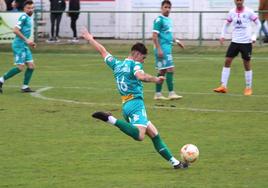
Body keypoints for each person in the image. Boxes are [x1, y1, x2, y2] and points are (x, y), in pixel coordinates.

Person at [81, 27, 188, 169]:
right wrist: (156, 79)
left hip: (126, 106)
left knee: (154, 134)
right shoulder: (135, 64)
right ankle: (110, 119)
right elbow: (141, 76)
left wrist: (90, 39)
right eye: (143, 58)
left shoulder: (117, 64)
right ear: (137, 54)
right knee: (140, 135)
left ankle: (176, 163)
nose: (143, 62)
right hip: (136, 104)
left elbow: (103, 51)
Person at [214, 0, 261, 96]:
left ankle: (248, 88)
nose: (238, 1)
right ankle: (223, 86)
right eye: (237, 0)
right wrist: (222, 35)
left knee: (246, 63)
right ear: (234, 1)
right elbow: (226, 24)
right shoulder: (231, 12)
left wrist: (254, 36)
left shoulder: (249, 11)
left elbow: (258, 24)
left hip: (246, 42)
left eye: (240, 0)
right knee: (227, 60)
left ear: (243, 1)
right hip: (235, 41)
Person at [0, 0, 36, 93]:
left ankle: (25, 87)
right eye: (28, 8)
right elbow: (15, 30)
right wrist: (26, 40)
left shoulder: (28, 17)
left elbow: (24, 33)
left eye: (32, 8)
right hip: (19, 45)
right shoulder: (24, 17)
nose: (31, 10)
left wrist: (30, 42)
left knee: (31, 66)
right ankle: (1, 80)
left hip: (24, 45)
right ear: (24, 9)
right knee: (20, 67)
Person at [152, 0, 184, 100]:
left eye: (169, 7)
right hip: (163, 49)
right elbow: (154, 36)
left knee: (162, 71)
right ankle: (171, 93)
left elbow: (169, 35)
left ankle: (158, 94)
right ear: (161, 8)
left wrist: (177, 41)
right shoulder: (159, 20)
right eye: (165, 7)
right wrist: (159, 49)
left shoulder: (168, 20)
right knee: (170, 69)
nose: (167, 9)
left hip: (167, 48)